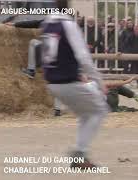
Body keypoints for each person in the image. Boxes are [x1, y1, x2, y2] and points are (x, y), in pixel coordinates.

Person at [41, 0, 109, 168]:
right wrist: (99, 80)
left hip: (52, 82)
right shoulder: (68, 25)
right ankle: (80, 153)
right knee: (99, 110)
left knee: (86, 114)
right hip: (67, 80)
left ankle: (80, 154)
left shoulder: (48, 24)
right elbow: (83, 57)